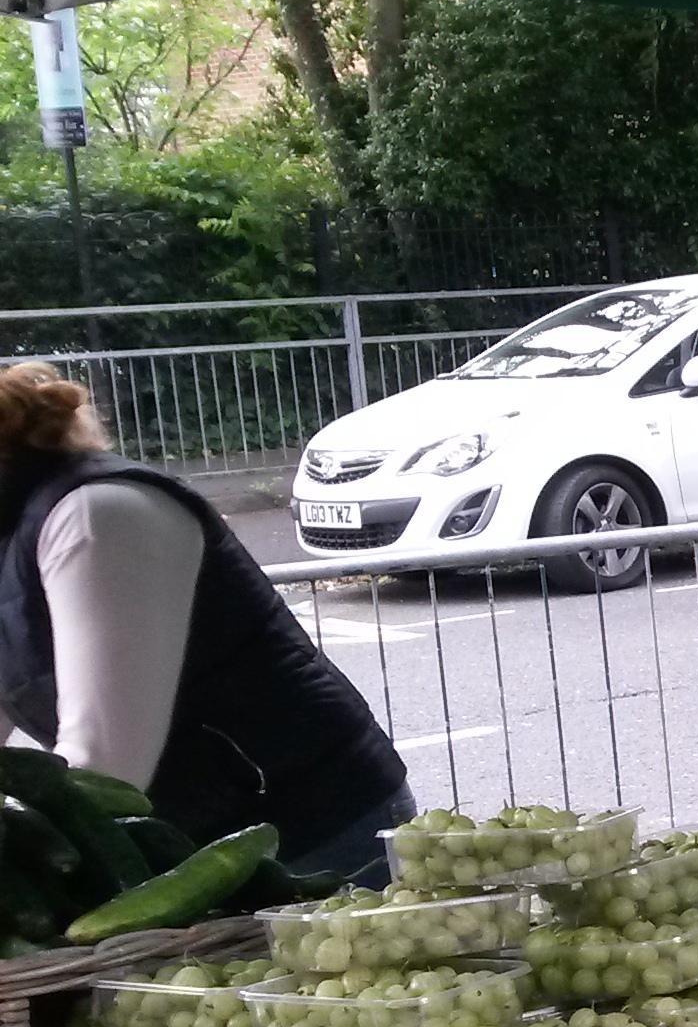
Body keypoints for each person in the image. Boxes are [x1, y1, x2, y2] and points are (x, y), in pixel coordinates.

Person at [0, 364, 411, 881]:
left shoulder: (99, 517)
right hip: (203, 836)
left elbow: (107, 761)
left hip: (312, 829)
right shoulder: (16, 523)